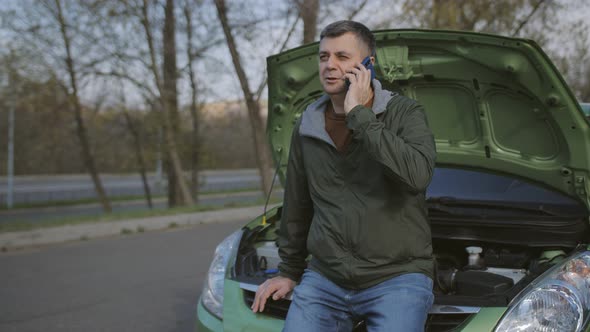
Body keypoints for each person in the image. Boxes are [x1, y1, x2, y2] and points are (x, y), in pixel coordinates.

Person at [251, 20, 437, 332]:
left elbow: (417, 175)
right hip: (326, 278)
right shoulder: (307, 126)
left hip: (398, 276)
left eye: (342, 57)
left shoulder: (404, 113)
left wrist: (360, 117)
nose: (329, 65)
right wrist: (289, 271)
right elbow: (298, 203)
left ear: (368, 64)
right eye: (324, 57)